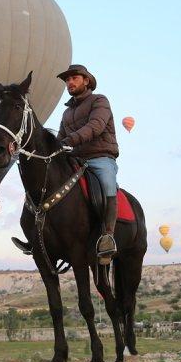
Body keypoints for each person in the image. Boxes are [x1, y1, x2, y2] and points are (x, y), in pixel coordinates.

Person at [56, 64, 119, 260]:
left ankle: (108, 235)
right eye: (67, 80)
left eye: (74, 78)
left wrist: (70, 140)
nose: (70, 82)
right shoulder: (66, 113)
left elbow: (96, 126)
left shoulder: (99, 100)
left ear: (86, 80)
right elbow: (59, 138)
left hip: (100, 157)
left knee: (108, 184)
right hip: (76, 160)